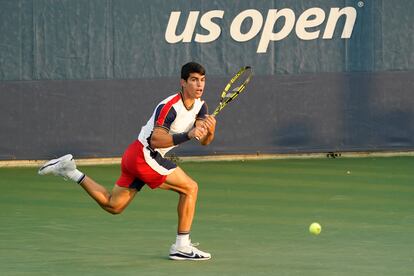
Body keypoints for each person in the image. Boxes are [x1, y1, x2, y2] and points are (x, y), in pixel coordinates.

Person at [38, 62, 216, 261]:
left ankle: (70, 170)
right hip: (144, 155)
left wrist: (210, 130)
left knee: (113, 205)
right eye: (194, 80)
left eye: (202, 80)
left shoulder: (201, 106)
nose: (199, 85)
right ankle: (181, 246)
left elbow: (203, 139)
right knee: (190, 188)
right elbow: (156, 140)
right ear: (183, 82)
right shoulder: (169, 107)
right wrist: (188, 134)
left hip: (135, 155)